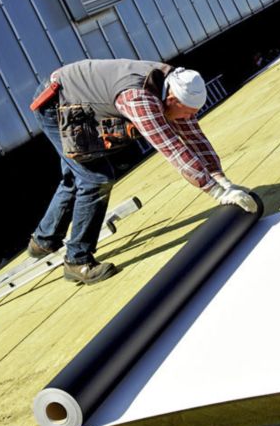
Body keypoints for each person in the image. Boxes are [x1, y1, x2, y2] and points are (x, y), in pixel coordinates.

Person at [28, 59, 257, 285]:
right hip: (55, 102)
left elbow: (193, 136)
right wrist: (217, 193)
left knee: (74, 175)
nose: (187, 118)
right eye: (185, 112)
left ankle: (44, 239)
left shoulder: (174, 85)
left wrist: (223, 180)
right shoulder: (139, 99)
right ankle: (76, 260)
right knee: (95, 179)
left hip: (70, 89)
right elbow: (173, 150)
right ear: (171, 99)